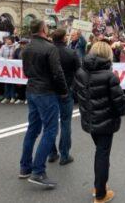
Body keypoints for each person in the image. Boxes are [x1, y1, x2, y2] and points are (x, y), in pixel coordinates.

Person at [74, 41, 125, 203]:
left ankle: (99, 186)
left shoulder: (81, 72)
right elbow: (120, 104)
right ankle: (101, 194)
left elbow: (78, 95)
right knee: (102, 156)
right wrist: (120, 111)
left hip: (89, 119)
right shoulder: (110, 76)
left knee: (100, 152)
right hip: (106, 122)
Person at [19, 19, 68, 188]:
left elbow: (25, 71)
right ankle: (38, 171)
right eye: (46, 27)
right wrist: (63, 91)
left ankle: (25, 167)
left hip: (31, 90)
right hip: (46, 92)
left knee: (32, 129)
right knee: (50, 130)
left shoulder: (26, 48)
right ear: (43, 29)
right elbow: (57, 73)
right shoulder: (49, 47)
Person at [48, 29, 81, 165]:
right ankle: (64, 155)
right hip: (66, 91)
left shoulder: (48, 51)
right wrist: (73, 88)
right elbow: (79, 72)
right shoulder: (71, 52)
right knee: (65, 123)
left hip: (49, 92)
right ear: (63, 38)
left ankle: (52, 153)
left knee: (50, 124)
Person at [0, 36, 17, 103]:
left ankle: (13, 97)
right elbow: (0, 55)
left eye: (9, 39)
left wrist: (12, 59)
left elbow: (16, 55)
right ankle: (6, 97)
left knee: (12, 82)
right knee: (6, 81)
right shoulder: (3, 47)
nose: (7, 41)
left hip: (12, 66)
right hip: (5, 66)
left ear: (12, 40)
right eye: (6, 40)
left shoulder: (15, 46)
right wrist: (5, 60)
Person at [13, 38, 28, 104]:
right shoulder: (17, 50)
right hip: (18, 70)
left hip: (26, 69)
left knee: (26, 84)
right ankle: (20, 97)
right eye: (21, 43)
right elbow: (14, 58)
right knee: (19, 85)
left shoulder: (29, 50)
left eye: (24, 43)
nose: (22, 45)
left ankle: (27, 98)